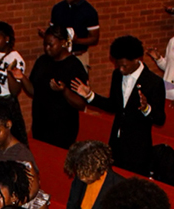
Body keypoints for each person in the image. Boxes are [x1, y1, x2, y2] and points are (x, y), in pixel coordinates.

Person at [70, 36, 166, 177]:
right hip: (116, 144)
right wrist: (90, 96)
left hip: (138, 149)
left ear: (137, 60)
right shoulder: (117, 75)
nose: (120, 69)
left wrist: (146, 109)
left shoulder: (153, 82)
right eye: (117, 65)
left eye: (124, 66)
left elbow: (160, 119)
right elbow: (113, 106)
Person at [15, 26, 88, 149]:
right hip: (40, 126)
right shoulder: (42, 61)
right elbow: (33, 91)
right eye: (45, 44)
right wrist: (22, 77)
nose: (47, 48)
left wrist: (64, 91)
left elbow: (81, 104)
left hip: (62, 131)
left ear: (63, 43)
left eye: (51, 45)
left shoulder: (74, 66)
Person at [45, 0, 101, 67]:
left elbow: (94, 39)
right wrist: (46, 36)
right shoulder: (58, 8)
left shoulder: (89, 11)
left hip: (79, 56)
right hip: (59, 58)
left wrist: (77, 41)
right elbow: (52, 32)